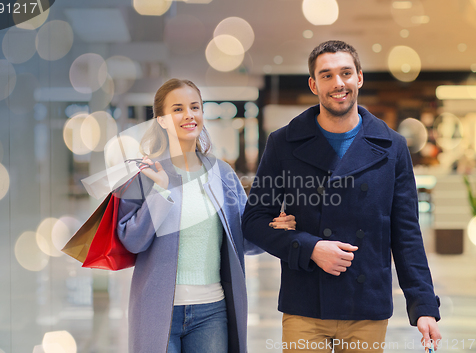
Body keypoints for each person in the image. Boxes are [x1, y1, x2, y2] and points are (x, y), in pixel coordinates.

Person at [242, 40, 441, 353]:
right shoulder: (284, 143)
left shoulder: (392, 147)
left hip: (366, 305)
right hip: (305, 303)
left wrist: (423, 304)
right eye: (326, 75)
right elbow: (253, 220)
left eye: (346, 73)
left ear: (359, 77)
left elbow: (406, 233)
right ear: (313, 84)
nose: (338, 83)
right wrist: (311, 248)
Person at [116, 78, 296, 353]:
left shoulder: (222, 174)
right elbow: (133, 241)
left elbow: (243, 239)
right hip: (158, 309)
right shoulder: (147, 175)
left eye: (195, 107)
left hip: (212, 312)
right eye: (178, 109)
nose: (189, 115)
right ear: (161, 120)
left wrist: (272, 227)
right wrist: (160, 192)